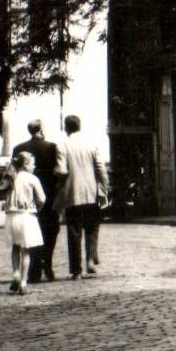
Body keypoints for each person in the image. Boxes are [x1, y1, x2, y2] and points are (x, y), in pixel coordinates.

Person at [11, 118, 67, 281]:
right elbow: (59, 171)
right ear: (41, 130)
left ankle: (34, 267)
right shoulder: (51, 147)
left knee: (32, 231)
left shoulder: (19, 148)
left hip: (26, 195)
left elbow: (12, 173)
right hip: (48, 194)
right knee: (50, 230)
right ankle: (47, 263)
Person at [60, 112, 108, 278]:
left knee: (74, 231)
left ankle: (76, 270)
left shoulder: (63, 145)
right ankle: (89, 261)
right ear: (79, 126)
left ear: (66, 128)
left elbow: (60, 170)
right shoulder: (91, 143)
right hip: (91, 192)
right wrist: (104, 189)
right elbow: (101, 169)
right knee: (92, 228)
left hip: (72, 194)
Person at [0, 150, 47, 294]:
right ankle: (23, 281)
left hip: (11, 217)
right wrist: (37, 207)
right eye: (33, 164)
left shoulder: (10, 177)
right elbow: (42, 199)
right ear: (25, 164)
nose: (34, 166)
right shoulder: (32, 179)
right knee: (26, 251)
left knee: (15, 248)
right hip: (27, 216)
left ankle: (16, 274)